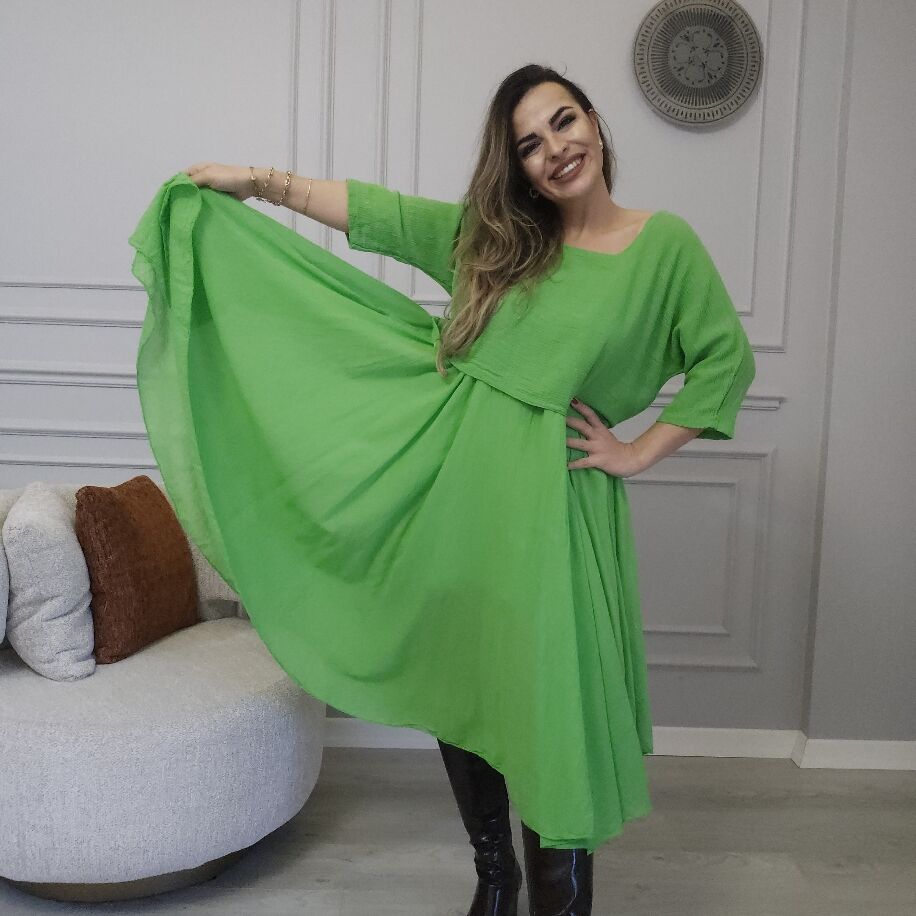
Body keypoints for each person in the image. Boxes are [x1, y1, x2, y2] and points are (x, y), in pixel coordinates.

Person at [130, 63, 755, 916]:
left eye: (563, 122)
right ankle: (494, 879)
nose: (554, 150)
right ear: (519, 167)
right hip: (455, 503)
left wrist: (638, 451)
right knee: (467, 692)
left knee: (550, 717)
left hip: (554, 516)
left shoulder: (663, 246)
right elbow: (380, 216)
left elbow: (725, 359)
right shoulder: (502, 242)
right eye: (528, 145)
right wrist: (258, 182)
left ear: (595, 123)